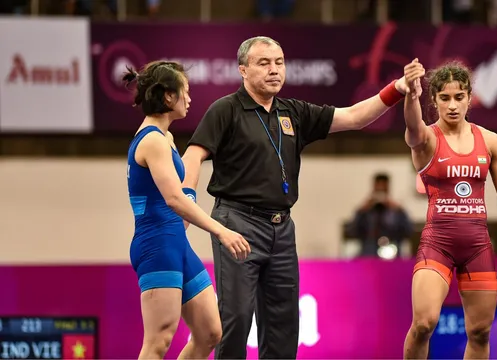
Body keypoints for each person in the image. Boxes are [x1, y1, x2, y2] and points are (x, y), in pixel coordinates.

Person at [181, 36, 411, 359]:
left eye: (279, 62)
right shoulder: (226, 109)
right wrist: (186, 202)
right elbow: (193, 155)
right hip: (237, 223)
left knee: (284, 325)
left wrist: (396, 89)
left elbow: (356, 117)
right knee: (235, 319)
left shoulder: (294, 112)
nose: (274, 70)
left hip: (282, 228)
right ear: (243, 70)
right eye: (264, 63)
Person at [400, 58, 497, 359]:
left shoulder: (490, 141)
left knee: (480, 331)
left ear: (469, 99)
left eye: (459, 97)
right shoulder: (426, 139)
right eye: (445, 98)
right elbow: (412, 125)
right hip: (437, 243)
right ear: (434, 101)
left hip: (477, 246)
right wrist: (411, 93)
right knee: (424, 323)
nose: (452, 105)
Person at [124, 60, 251, 359]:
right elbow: (174, 199)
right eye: (186, 91)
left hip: (175, 244)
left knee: (210, 332)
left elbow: (181, 191)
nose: (190, 98)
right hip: (156, 246)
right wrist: (221, 230)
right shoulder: (153, 141)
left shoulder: (165, 137)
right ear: (169, 97)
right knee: (158, 341)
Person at [347, 172, 413, 258]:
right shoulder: (365, 211)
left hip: (392, 255)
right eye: (378, 190)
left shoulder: (396, 211)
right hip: (369, 255)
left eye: (383, 190)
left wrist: (399, 210)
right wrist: (361, 210)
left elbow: (409, 231)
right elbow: (352, 231)